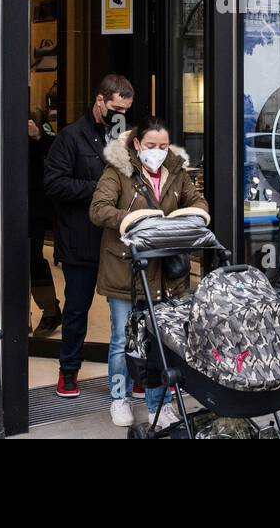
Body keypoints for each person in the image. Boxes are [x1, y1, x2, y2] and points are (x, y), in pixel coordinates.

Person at [90, 116, 209, 428]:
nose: (156, 152)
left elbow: (197, 201)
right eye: (151, 145)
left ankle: (162, 404)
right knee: (121, 340)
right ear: (138, 144)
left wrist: (193, 214)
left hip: (164, 273)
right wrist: (133, 218)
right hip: (126, 270)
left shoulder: (177, 173)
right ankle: (120, 398)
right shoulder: (118, 171)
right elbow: (99, 208)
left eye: (163, 146)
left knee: (159, 342)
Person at [43, 74, 134, 399]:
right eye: (115, 108)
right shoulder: (69, 137)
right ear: (99, 101)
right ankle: (68, 372)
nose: (119, 115)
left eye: (125, 110)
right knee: (77, 310)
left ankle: (133, 373)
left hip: (117, 243)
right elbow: (53, 184)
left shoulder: (124, 139)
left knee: (126, 314)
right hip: (80, 239)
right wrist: (99, 190)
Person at [27, 110, 61, 339]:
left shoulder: (35, 122)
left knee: (32, 260)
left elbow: (54, 150)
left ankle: (50, 311)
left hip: (32, 208)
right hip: (4, 208)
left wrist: (37, 135)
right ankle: (17, 317)